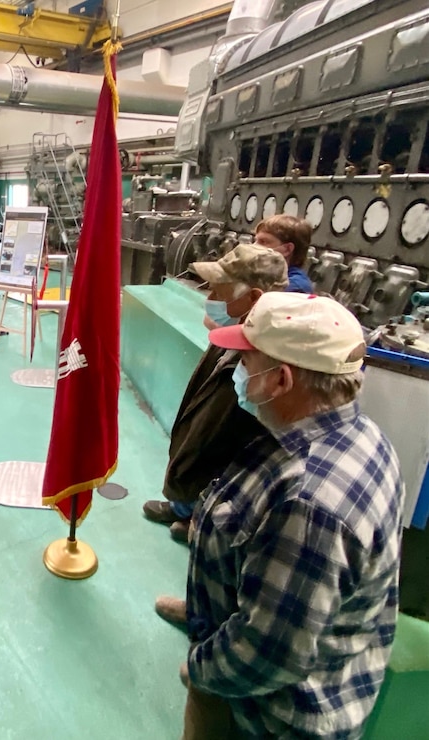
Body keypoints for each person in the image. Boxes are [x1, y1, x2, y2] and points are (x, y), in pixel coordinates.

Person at [180, 292, 403, 740]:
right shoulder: (360, 434)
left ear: (280, 379)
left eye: (245, 362)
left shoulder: (308, 506)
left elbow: (268, 651)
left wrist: (199, 670)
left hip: (270, 718)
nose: (238, 372)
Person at [143, 244, 287, 545]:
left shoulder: (263, 367)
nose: (210, 300)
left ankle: (198, 516)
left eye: (219, 293)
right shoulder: (231, 335)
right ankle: (185, 506)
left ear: (254, 298)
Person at [253, 214, 313, 293]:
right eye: (255, 241)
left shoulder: (294, 288)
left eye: (263, 242)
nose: (253, 246)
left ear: (287, 249)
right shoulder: (268, 276)